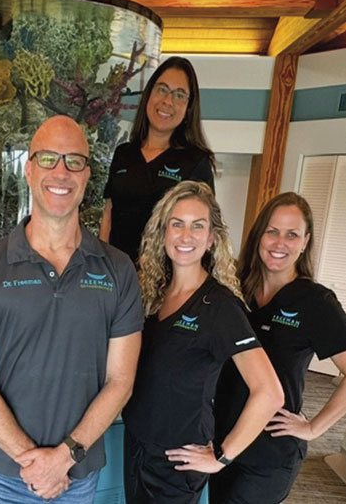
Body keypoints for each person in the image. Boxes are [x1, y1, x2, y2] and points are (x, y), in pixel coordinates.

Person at [0, 115, 144, 503]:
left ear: (87, 175)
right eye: (48, 158)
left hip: (77, 476)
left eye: (74, 161)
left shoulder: (119, 269)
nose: (61, 172)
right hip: (4, 478)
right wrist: (36, 465)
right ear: (28, 169)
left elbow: (120, 381)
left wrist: (64, 458)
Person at [122, 180, 283, 504]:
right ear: (163, 233)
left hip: (178, 461)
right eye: (177, 224)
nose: (186, 236)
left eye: (198, 226)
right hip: (137, 445)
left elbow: (270, 393)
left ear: (211, 238)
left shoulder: (220, 306)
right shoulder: (152, 295)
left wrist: (222, 457)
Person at [210, 192, 346, 504]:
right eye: (272, 231)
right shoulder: (234, 287)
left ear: (305, 242)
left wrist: (313, 428)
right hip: (221, 437)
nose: (279, 243)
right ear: (259, 235)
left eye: (292, 235)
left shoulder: (315, 301)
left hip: (269, 451)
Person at [100, 56, 215, 262]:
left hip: (165, 276)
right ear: (149, 94)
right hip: (118, 273)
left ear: (189, 108)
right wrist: (102, 266)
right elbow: (108, 216)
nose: (168, 101)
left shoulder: (196, 162)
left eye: (179, 95)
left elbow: (203, 230)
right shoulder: (123, 154)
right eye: (162, 89)